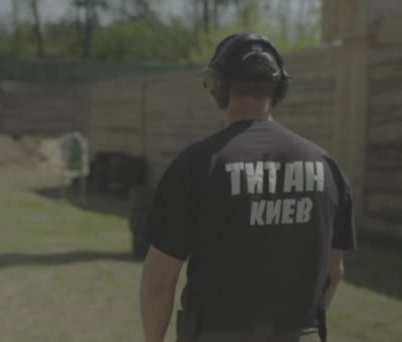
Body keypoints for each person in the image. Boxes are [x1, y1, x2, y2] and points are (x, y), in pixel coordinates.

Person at [139, 33, 356, 342]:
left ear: (217, 86)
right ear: (280, 89)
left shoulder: (197, 164)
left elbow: (159, 283)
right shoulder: (327, 166)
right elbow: (334, 273)